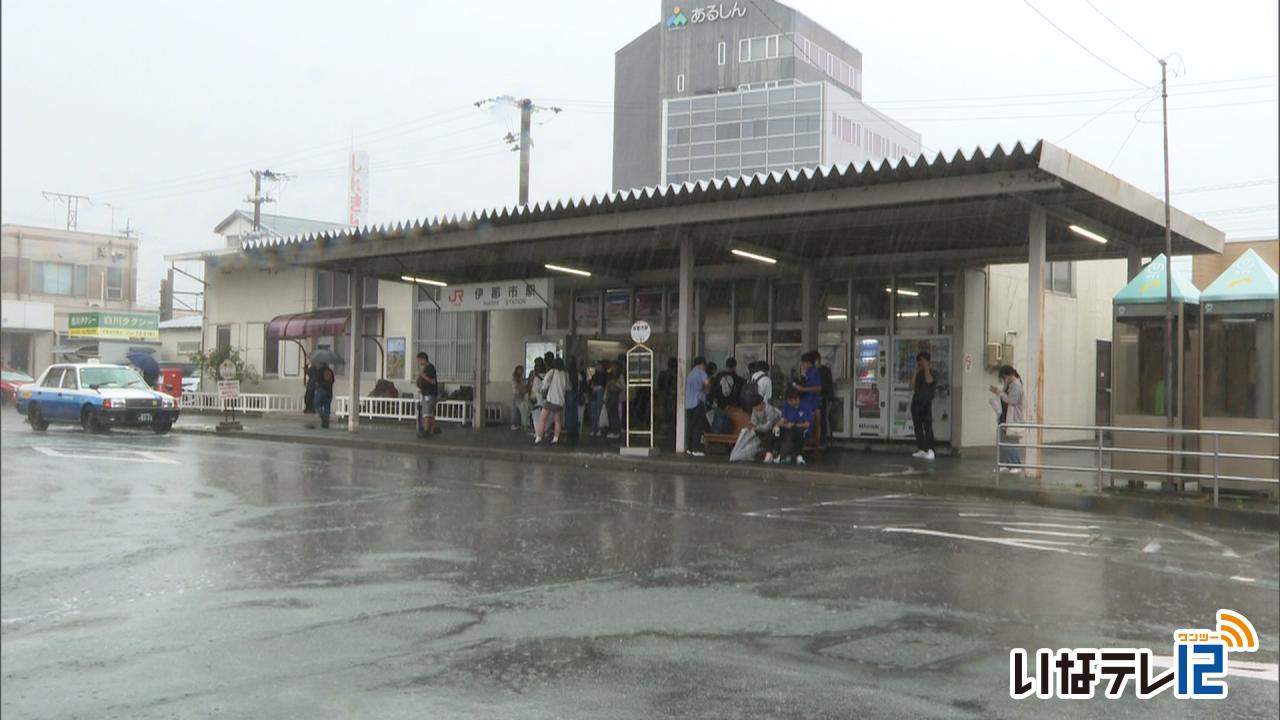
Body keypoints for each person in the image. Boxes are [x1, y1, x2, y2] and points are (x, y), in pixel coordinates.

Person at [991, 365, 1025, 473]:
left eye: (1004, 377)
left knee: (1011, 442)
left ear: (1010, 375)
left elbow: (1012, 401)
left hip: (1012, 417)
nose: (1004, 380)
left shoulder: (1016, 385)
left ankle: (1015, 465)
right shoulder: (1010, 384)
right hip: (1005, 417)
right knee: (1003, 441)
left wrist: (999, 393)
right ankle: (1005, 463)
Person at [772, 389, 812, 464]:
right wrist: (777, 425)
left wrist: (794, 425)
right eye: (788, 401)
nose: (789, 403)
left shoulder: (805, 405)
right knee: (777, 430)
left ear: (796, 399)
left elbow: (807, 424)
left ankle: (795, 455)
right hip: (789, 427)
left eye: (790, 401)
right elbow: (783, 419)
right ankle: (776, 453)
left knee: (795, 432)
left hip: (801, 428)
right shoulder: (787, 405)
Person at [911, 351, 937, 459]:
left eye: (922, 361)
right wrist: (915, 372)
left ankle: (930, 449)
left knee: (927, 427)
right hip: (916, 403)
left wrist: (926, 368)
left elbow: (930, 381)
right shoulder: (918, 373)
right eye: (919, 362)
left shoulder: (932, 372)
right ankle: (921, 448)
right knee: (917, 427)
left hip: (926, 404)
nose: (920, 364)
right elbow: (912, 385)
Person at [684, 356, 711, 456]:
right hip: (697, 402)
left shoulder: (690, 374)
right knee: (698, 426)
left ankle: (689, 448)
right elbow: (707, 383)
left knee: (690, 426)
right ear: (702, 364)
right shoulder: (701, 372)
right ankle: (696, 449)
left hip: (688, 404)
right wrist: (706, 390)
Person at [536, 357, 567, 445]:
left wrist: (542, 390)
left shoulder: (552, 372)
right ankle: (556, 438)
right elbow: (567, 387)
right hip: (560, 401)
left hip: (551, 399)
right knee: (557, 420)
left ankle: (538, 437)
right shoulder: (565, 374)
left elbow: (545, 383)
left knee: (542, 419)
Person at [749, 392, 782, 463]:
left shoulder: (769, 409)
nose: (755, 409)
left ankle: (769, 453)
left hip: (776, 428)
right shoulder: (754, 409)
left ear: (761, 403)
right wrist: (754, 427)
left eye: (756, 406)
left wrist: (758, 427)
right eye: (754, 407)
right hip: (762, 428)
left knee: (769, 432)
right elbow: (753, 422)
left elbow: (769, 425)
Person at [813, 349, 835, 445]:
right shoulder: (815, 370)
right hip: (817, 399)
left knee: (823, 419)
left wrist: (830, 398)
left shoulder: (824, 370)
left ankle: (824, 439)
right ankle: (820, 439)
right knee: (820, 419)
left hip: (823, 398)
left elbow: (828, 385)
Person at [416, 351, 439, 439]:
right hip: (427, 393)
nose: (418, 363)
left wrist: (423, 376)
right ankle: (433, 429)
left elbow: (433, 381)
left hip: (429, 394)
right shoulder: (426, 368)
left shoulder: (430, 368)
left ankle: (426, 430)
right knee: (431, 413)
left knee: (427, 413)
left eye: (419, 360)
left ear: (423, 359)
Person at [528, 357, 547, 434]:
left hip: (538, 402)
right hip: (547, 401)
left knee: (537, 419)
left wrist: (531, 398)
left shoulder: (536, 378)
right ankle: (544, 431)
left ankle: (538, 433)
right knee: (545, 419)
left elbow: (534, 392)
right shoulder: (547, 375)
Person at [314, 363, 335, 429]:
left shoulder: (319, 371)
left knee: (316, 405)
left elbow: (316, 382)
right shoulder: (330, 371)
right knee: (327, 407)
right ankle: (326, 424)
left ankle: (323, 418)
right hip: (329, 392)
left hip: (321, 390)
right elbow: (333, 381)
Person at [510, 365, 530, 431]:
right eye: (520, 370)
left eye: (522, 371)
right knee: (515, 411)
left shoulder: (521, 379)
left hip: (521, 396)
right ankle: (514, 424)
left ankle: (518, 424)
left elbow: (523, 386)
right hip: (516, 395)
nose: (521, 372)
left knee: (520, 411)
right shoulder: (514, 378)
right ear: (517, 371)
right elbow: (516, 387)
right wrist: (522, 390)